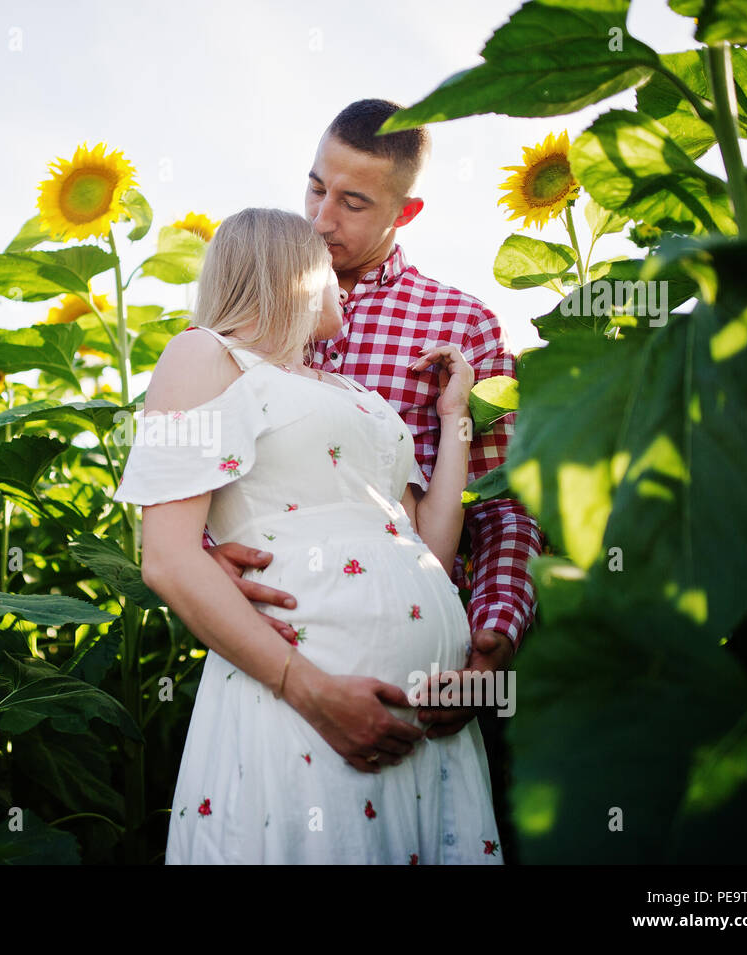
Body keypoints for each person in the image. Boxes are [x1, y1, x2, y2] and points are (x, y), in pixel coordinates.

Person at [113, 207, 501, 864]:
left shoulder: (352, 390)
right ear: (290, 270)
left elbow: (427, 550)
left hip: (425, 737)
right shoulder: (205, 352)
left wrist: (453, 415)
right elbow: (169, 558)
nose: (343, 285)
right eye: (327, 269)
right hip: (302, 704)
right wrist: (309, 688)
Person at [205, 99, 544, 756]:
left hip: (416, 685)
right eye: (314, 186)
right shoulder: (247, 301)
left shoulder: (461, 325)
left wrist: (494, 637)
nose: (320, 217)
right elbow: (193, 472)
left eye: (353, 203)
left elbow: (502, 500)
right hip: (269, 663)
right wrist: (206, 549)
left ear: (405, 212)